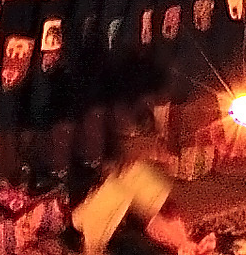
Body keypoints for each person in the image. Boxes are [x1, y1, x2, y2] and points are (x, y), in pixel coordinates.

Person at [71, 60, 196, 255]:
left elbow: (125, 166)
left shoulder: (121, 120)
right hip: (91, 214)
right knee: (127, 186)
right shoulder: (84, 124)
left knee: (140, 178)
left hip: (121, 201)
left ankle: (183, 244)